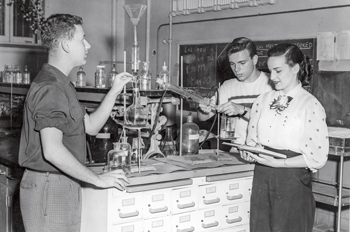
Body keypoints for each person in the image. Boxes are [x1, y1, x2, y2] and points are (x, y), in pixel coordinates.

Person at [18, 14, 132, 232]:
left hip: (60, 183)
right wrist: (97, 180)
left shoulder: (63, 84)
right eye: (82, 39)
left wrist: (114, 90)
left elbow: (90, 126)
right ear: (65, 45)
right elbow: (52, 150)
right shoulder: (51, 87)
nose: (88, 45)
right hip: (50, 186)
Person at [242, 43, 329, 231]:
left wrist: (279, 163)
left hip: (291, 180)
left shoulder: (309, 105)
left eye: (278, 71)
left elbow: (317, 157)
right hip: (262, 177)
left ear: (295, 68)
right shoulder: (263, 100)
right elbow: (252, 141)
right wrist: (248, 152)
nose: (272, 77)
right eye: (270, 71)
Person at [198, 37, 273, 146]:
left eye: (242, 63)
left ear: (255, 59)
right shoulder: (228, 86)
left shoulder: (272, 84)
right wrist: (203, 109)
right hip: (236, 150)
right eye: (232, 64)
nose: (236, 69)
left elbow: (276, 121)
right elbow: (202, 117)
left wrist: (241, 109)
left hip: (265, 151)